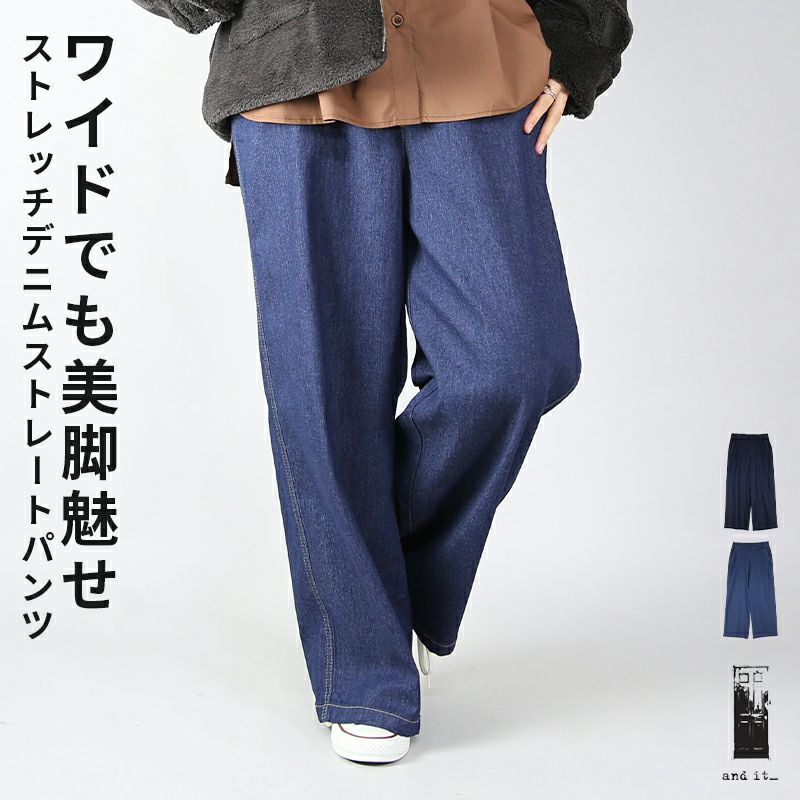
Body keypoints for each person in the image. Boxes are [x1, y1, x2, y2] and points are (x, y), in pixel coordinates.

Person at [131, 0, 633, 764]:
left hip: (480, 59)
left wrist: (577, 40)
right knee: (324, 389)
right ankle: (365, 670)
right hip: (298, 72)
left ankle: (371, 583)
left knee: (518, 363)